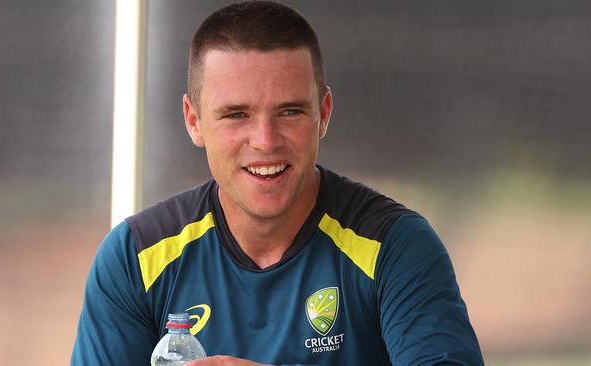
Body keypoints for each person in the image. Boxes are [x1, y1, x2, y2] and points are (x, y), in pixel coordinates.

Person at [71, 1, 484, 365]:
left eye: (289, 112)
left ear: (323, 113)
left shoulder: (395, 246)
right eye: (236, 114)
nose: (265, 141)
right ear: (193, 121)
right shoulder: (135, 258)